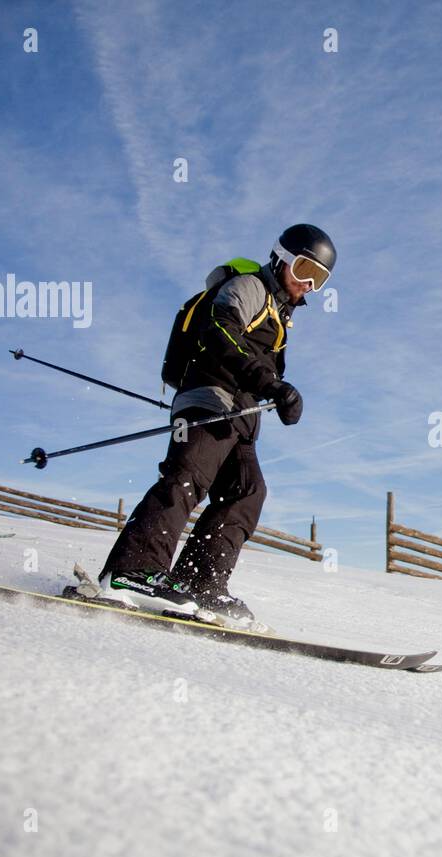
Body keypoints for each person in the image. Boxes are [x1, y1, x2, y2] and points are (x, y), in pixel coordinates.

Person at [98, 224, 336, 621]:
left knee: (246, 492)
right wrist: (269, 383)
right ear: (281, 259)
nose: (309, 284)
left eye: (320, 278)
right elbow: (220, 330)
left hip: (238, 417)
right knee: (187, 476)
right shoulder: (249, 287)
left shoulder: (279, 317)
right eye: (304, 269)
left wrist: (280, 397)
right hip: (207, 399)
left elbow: (261, 372)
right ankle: (131, 571)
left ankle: (199, 583)